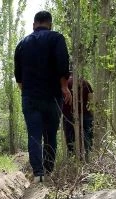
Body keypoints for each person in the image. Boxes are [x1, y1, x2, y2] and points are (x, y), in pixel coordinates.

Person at [14, 10, 72, 183]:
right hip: (53, 96)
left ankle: (38, 174)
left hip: (30, 97)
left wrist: (26, 92)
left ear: (34, 25)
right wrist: (64, 87)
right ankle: (49, 171)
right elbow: (63, 63)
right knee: (50, 135)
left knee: (34, 135)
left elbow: (18, 76)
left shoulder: (22, 44)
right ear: (50, 24)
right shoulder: (57, 38)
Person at [62, 75, 94, 157]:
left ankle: (73, 158)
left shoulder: (65, 83)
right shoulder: (86, 83)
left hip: (68, 116)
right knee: (87, 139)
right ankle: (87, 158)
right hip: (85, 115)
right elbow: (91, 101)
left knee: (70, 140)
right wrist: (93, 116)